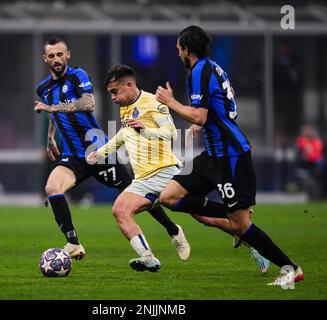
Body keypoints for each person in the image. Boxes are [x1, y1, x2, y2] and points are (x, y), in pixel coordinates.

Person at [155, 26, 304, 286]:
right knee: (169, 197)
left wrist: (170, 102)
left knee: (240, 226)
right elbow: (217, 105)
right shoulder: (210, 67)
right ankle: (232, 213)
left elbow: (200, 114)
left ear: (187, 49)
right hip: (212, 154)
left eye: (179, 46)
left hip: (230, 156)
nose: (177, 51)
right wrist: (198, 124)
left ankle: (292, 269)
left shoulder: (200, 70)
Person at [34, 36, 190, 262]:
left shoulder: (78, 76)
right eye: (52, 56)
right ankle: (73, 242)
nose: (57, 59)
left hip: (98, 149)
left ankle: (173, 230)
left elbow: (88, 103)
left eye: (60, 54)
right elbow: (53, 113)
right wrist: (50, 136)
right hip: (72, 154)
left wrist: (52, 107)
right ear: (45, 59)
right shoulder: (43, 88)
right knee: (52, 187)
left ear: (67, 55)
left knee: (137, 193)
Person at [87, 64, 189, 271]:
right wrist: (101, 153)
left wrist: (146, 130)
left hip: (166, 172)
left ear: (130, 85)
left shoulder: (152, 102)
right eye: (110, 93)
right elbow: (125, 135)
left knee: (205, 216)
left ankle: (250, 239)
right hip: (143, 179)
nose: (113, 98)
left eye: (115, 92)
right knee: (120, 210)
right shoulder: (125, 107)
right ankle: (148, 257)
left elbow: (172, 133)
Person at [295, 125, 324, 199]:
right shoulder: (301, 140)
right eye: (306, 131)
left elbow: (317, 154)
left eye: (309, 131)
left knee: (316, 179)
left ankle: (317, 195)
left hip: (314, 164)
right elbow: (299, 151)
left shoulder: (317, 141)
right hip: (305, 164)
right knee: (306, 179)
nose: (307, 133)